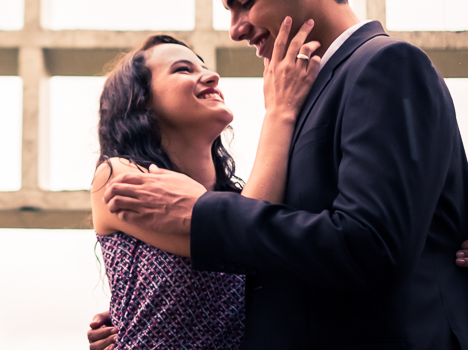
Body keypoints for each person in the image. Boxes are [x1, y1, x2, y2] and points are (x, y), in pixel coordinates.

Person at [90, 0, 468, 350]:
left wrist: (201, 213)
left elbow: (371, 246)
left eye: (244, 1)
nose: (236, 28)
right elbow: (285, 250)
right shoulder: (307, 100)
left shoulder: (385, 65)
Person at [92, 21, 324, 349]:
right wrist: (280, 110)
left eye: (205, 67)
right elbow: (240, 237)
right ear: (142, 101)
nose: (212, 76)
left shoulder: (237, 197)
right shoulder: (118, 176)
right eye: (183, 70)